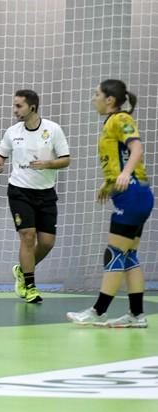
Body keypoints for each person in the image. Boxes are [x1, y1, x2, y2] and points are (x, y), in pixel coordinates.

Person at [67, 79, 153, 328]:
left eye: (96, 94)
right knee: (129, 255)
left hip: (132, 194)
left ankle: (98, 311)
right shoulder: (110, 123)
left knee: (114, 253)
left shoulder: (121, 119)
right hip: (134, 194)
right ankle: (136, 315)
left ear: (109, 100)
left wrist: (125, 174)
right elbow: (120, 156)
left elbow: (135, 148)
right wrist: (109, 183)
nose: (93, 98)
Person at [0, 90, 71, 303]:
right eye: (14, 105)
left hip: (46, 193)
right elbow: (0, 155)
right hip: (19, 191)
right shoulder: (12, 132)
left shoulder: (53, 130)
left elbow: (65, 159)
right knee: (28, 235)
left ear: (32, 107)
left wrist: (48, 164)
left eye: (19, 106)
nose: (15, 110)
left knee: (46, 242)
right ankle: (30, 286)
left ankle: (22, 270)